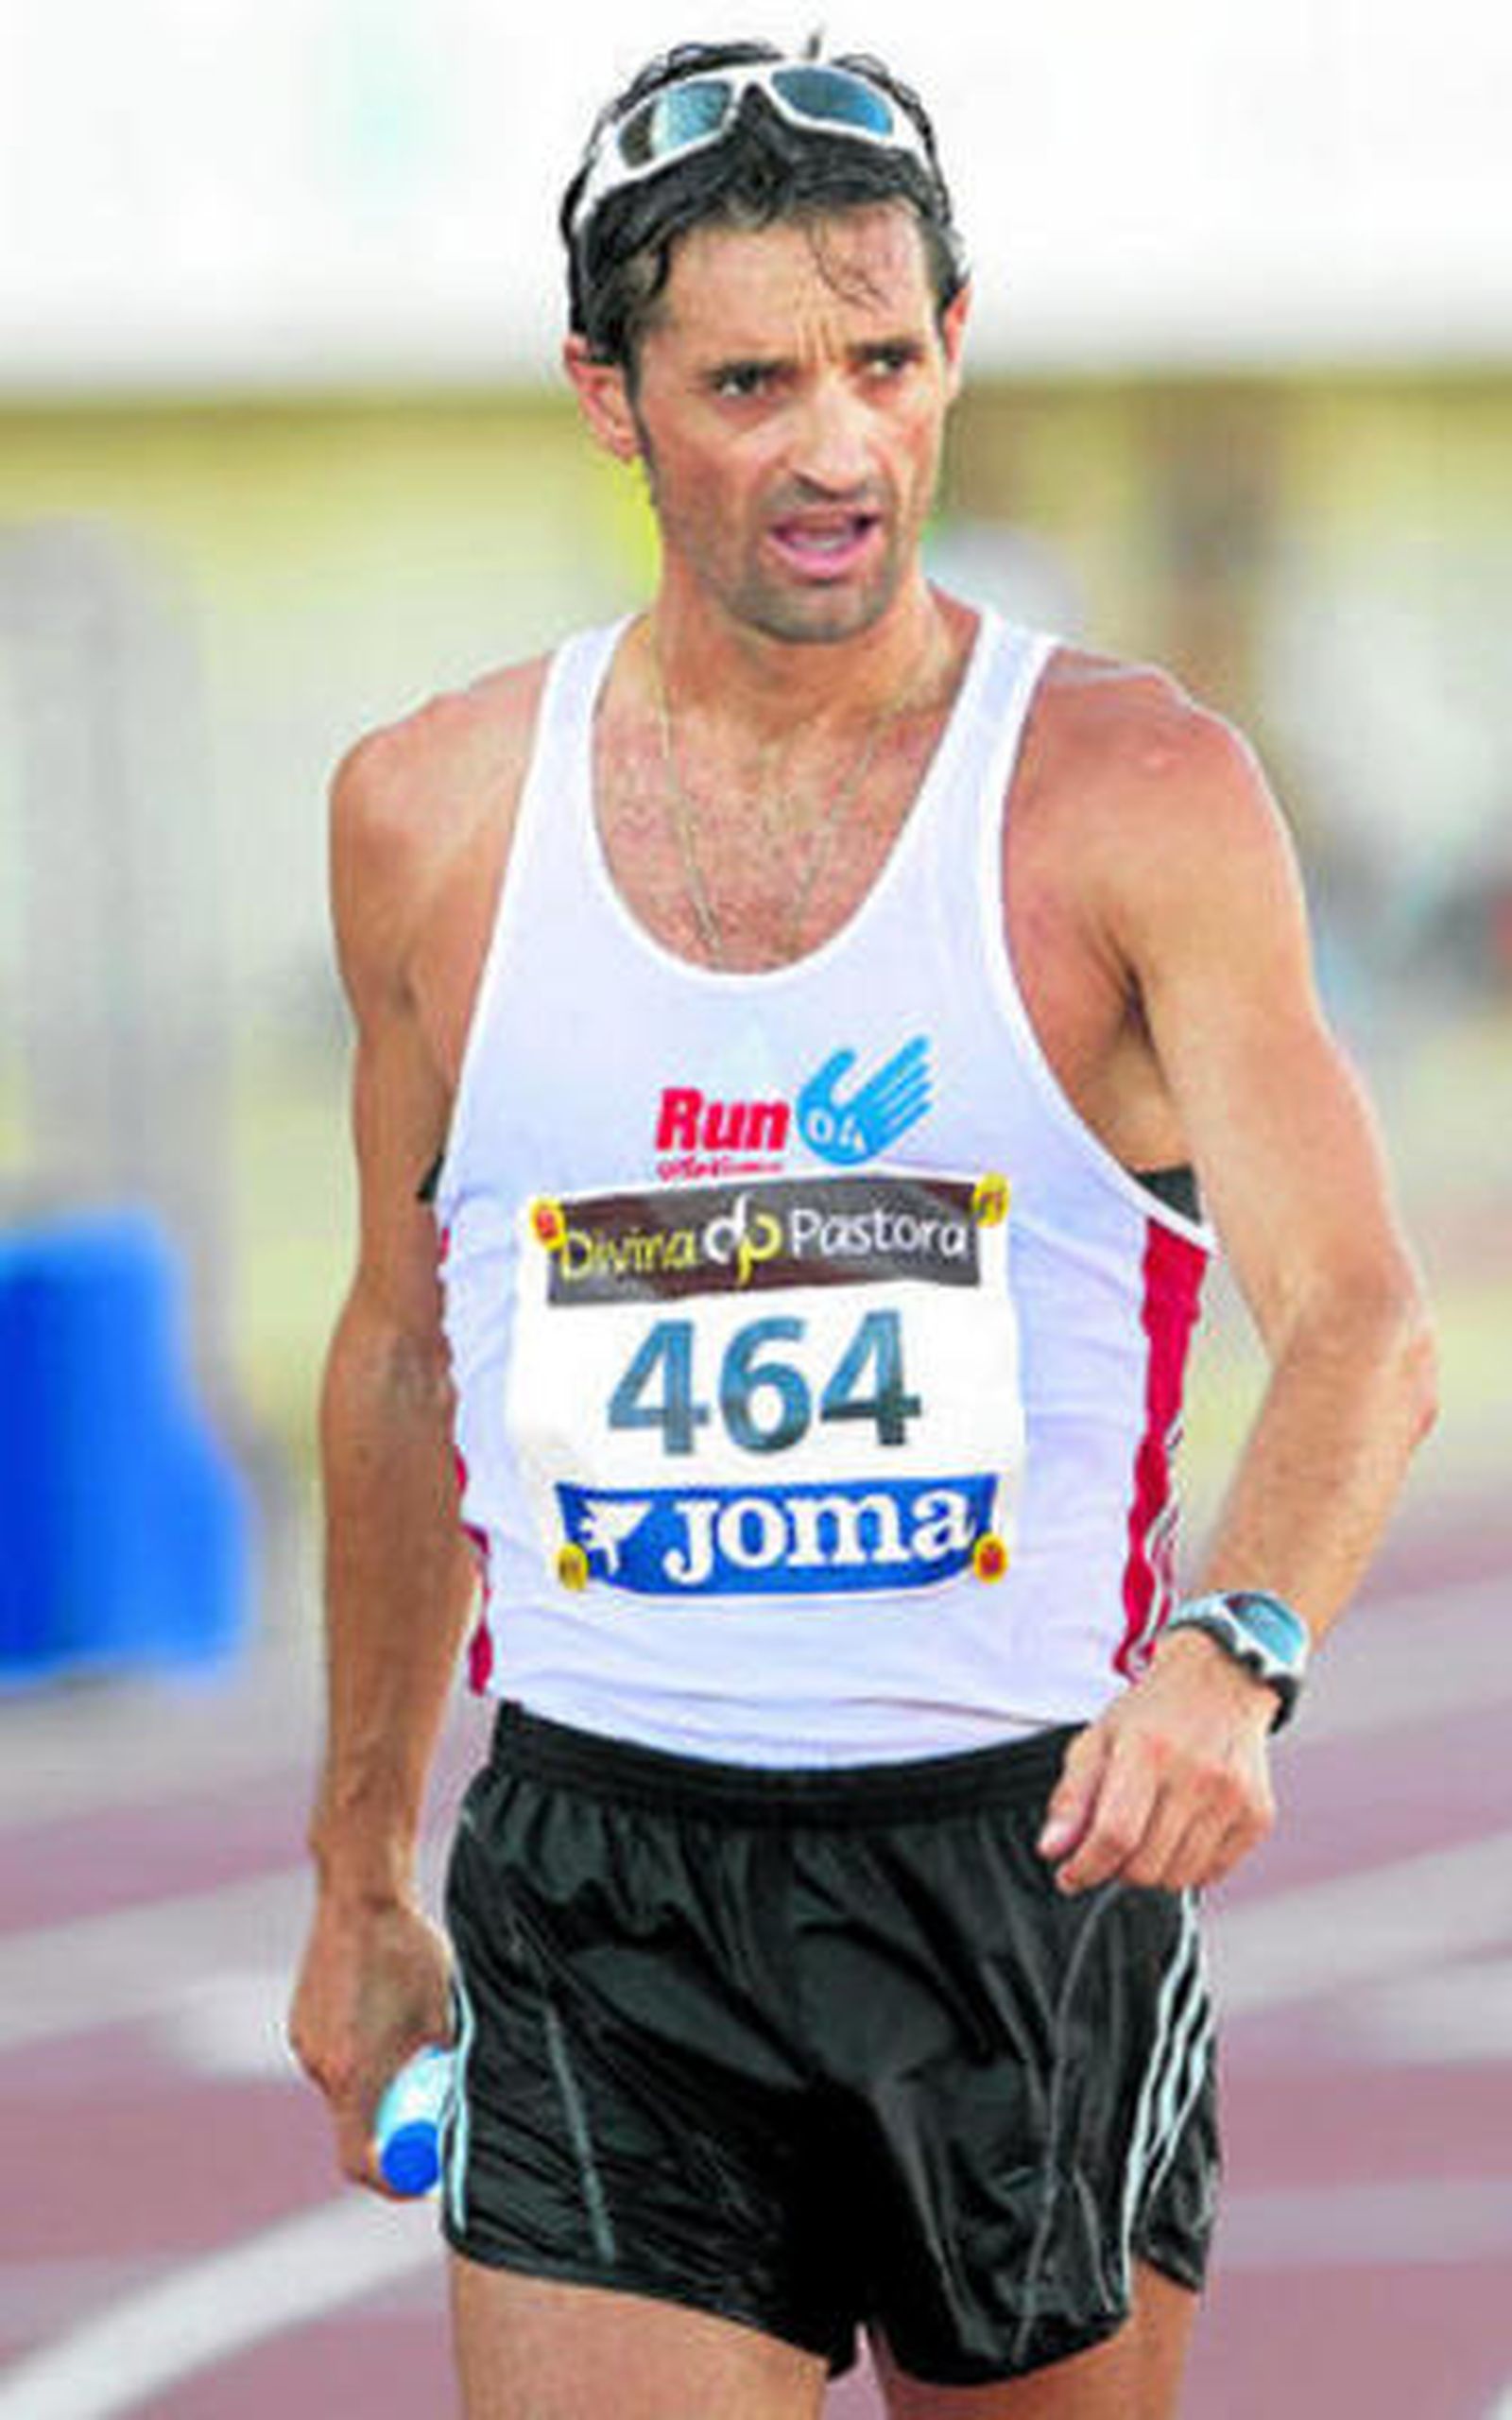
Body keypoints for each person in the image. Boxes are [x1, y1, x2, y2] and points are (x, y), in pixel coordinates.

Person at [288, 38, 1436, 2419]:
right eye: (749, 386)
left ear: (951, 345)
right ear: (606, 397)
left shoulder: (1128, 791)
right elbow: (400, 1350)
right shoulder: (431, 816)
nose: (836, 450)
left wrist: (1230, 1650)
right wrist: (355, 1864)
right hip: (604, 1878)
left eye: (883, 366)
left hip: (1023, 1870)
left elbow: (1355, 1319)